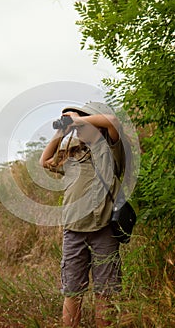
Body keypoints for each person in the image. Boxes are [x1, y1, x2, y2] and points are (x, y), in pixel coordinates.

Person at [39, 102, 127, 327]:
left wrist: (79, 119)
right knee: (72, 291)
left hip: (104, 229)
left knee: (104, 292)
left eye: (85, 122)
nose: (78, 128)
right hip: (74, 230)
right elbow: (44, 162)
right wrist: (62, 131)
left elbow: (113, 122)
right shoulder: (72, 154)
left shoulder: (111, 148)